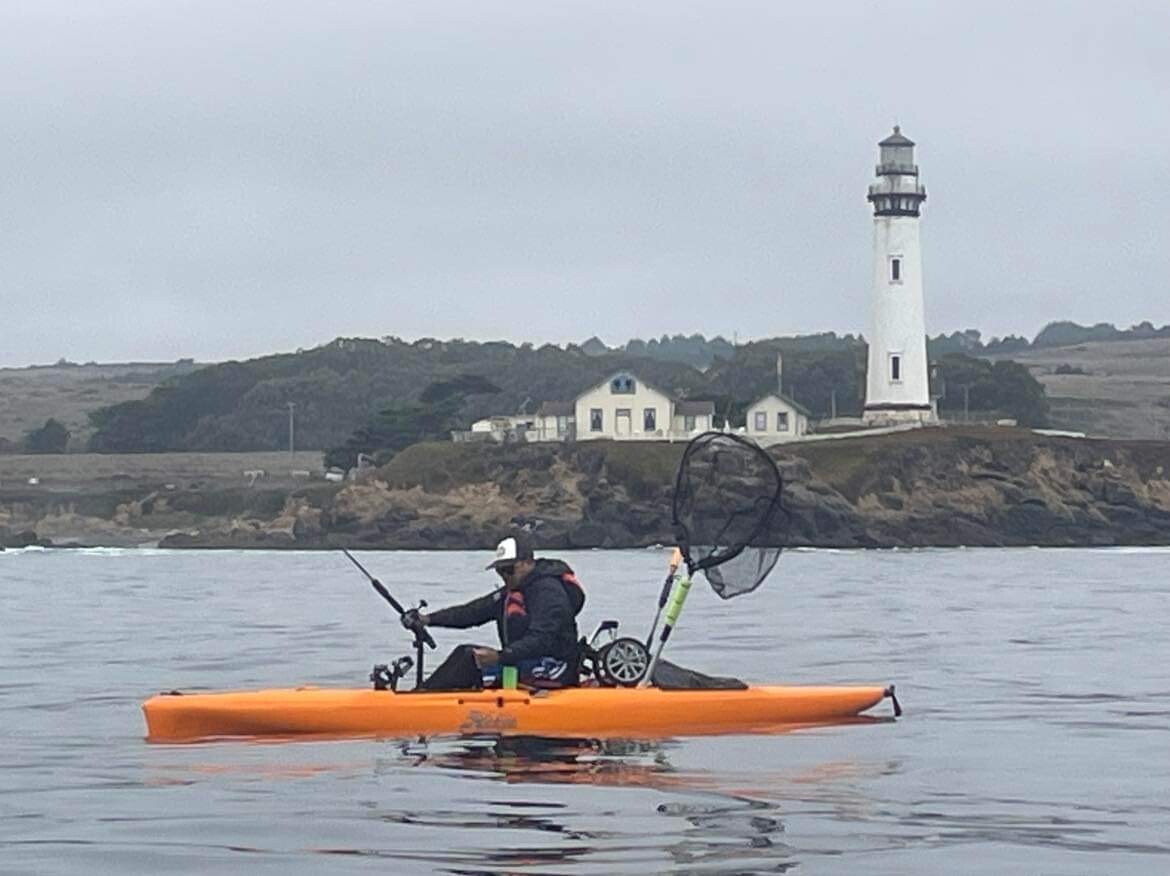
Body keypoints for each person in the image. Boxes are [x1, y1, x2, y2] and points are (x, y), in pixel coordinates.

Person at [405, 533, 586, 691]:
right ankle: (423, 695)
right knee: (465, 653)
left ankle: (420, 701)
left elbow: (542, 639)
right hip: (522, 661)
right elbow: (471, 612)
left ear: (526, 563)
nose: (503, 576)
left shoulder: (548, 591)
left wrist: (500, 656)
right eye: (500, 570)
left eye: (508, 569)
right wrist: (427, 619)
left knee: (470, 659)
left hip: (554, 667)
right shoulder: (513, 591)